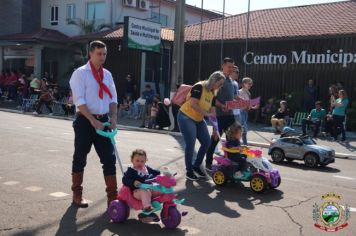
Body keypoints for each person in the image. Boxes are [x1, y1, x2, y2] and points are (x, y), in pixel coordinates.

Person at [69, 40, 118, 208]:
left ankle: (113, 198)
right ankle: (77, 194)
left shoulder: (108, 74)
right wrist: (92, 120)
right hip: (85, 120)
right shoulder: (80, 73)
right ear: (91, 53)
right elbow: (79, 101)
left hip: (103, 120)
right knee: (80, 157)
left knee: (109, 159)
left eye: (104, 54)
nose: (102, 57)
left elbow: (113, 98)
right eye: (99, 54)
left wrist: (113, 118)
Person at [178, 71, 224, 180]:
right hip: (186, 116)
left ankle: (196, 166)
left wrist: (215, 129)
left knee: (207, 142)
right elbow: (193, 104)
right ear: (214, 80)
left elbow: (213, 112)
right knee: (191, 144)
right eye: (220, 83)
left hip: (198, 119)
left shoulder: (212, 93)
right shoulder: (199, 86)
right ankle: (189, 171)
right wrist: (206, 114)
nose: (220, 86)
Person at [205, 58, 236, 171]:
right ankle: (208, 163)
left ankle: (230, 162)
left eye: (232, 67)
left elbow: (233, 97)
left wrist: (243, 103)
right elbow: (212, 98)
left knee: (232, 141)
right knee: (214, 140)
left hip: (230, 116)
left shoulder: (231, 81)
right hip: (219, 116)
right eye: (229, 66)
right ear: (223, 65)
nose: (231, 69)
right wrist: (222, 106)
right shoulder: (218, 79)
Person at [122, 149, 161, 218]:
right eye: (137, 161)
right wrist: (133, 182)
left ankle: (156, 202)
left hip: (149, 188)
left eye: (142, 161)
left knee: (159, 188)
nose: (140, 163)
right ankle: (147, 208)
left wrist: (163, 174)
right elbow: (125, 180)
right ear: (132, 160)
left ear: (145, 161)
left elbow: (155, 172)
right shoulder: (131, 171)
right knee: (144, 191)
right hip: (137, 191)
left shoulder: (146, 168)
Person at [238, 77, 258, 145]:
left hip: (245, 113)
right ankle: (240, 144)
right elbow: (238, 105)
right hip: (240, 113)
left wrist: (253, 107)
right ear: (244, 84)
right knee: (243, 129)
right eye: (249, 83)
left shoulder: (248, 93)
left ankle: (244, 145)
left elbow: (248, 105)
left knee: (244, 131)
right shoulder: (239, 92)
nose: (250, 85)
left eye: (251, 84)